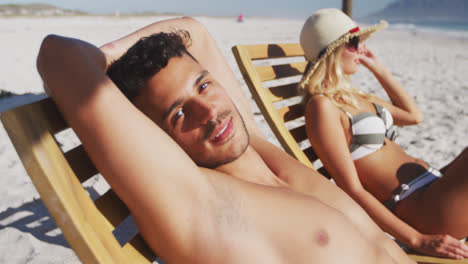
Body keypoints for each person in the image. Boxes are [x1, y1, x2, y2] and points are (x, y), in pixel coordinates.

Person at [36, 16, 415, 263]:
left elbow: (195, 31)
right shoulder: (198, 199)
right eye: (179, 113)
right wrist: (109, 60)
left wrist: (129, 57)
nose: (209, 112)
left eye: (204, 85)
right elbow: (57, 55)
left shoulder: (253, 145)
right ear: (157, 137)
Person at [298, 8, 468, 260]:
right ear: (332, 51)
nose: (362, 49)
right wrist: (416, 239)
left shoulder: (355, 96)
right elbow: (351, 189)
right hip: (424, 209)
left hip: (435, 186)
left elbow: (414, 116)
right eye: (354, 43)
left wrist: (379, 69)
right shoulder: (322, 107)